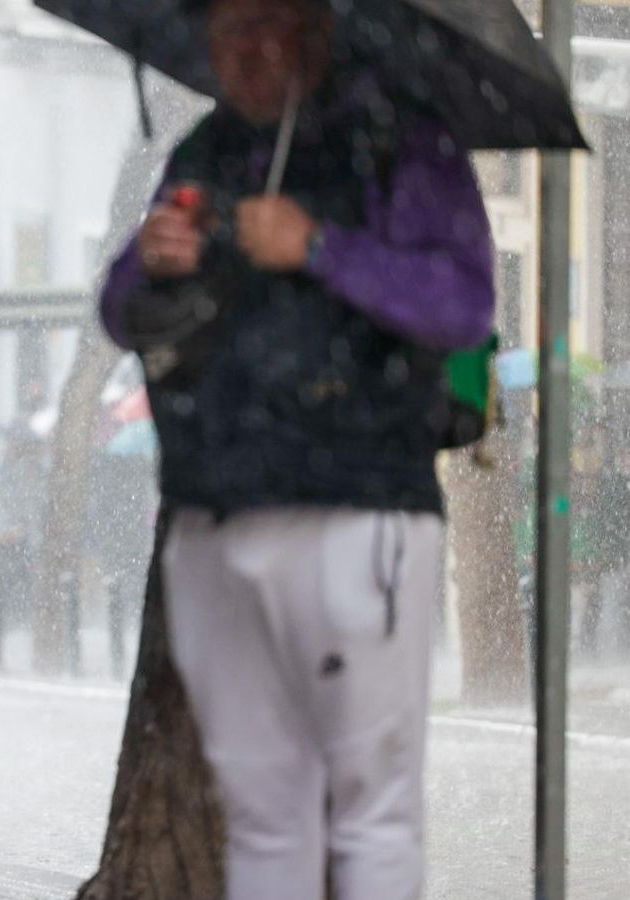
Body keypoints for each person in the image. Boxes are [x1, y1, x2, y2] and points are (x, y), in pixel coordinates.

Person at [98, 0, 495, 897]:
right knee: (262, 810)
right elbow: (120, 311)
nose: (242, 50)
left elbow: (461, 304)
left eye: (264, 25)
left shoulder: (402, 144)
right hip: (214, 508)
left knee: (370, 810)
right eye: (226, 30)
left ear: (315, 31)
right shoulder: (207, 150)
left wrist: (316, 245)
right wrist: (151, 260)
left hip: (356, 509)